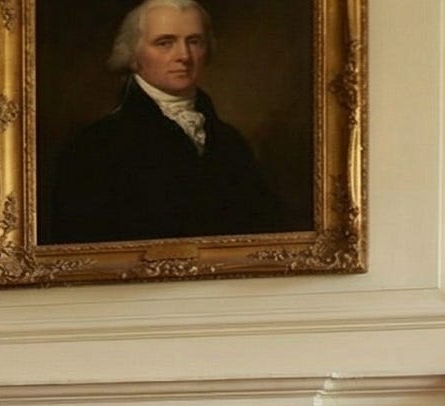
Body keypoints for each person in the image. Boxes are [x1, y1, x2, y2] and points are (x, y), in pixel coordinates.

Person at [45, 3, 288, 246]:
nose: (184, 56)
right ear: (133, 55)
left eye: (194, 41)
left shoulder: (230, 141)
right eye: (165, 43)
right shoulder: (95, 146)